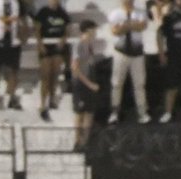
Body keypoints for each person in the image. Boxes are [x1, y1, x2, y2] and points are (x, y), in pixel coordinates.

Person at [108, 0, 150, 123]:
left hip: (137, 53)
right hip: (121, 52)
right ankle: (114, 112)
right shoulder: (115, 13)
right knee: (116, 84)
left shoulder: (140, 12)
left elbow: (142, 26)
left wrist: (124, 26)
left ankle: (142, 112)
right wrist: (131, 25)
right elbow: (115, 31)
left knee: (139, 84)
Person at [33, 0, 70, 121]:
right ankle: (43, 103)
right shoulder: (43, 12)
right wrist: (40, 44)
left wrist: (63, 40)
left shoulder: (62, 13)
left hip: (57, 47)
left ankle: (52, 99)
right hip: (46, 46)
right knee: (46, 76)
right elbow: (37, 29)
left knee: (55, 75)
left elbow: (66, 30)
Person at [71, 19, 101, 151]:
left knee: (89, 112)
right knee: (80, 112)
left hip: (90, 80)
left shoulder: (89, 45)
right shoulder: (79, 44)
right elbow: (75, 68)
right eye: (94, 30)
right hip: (82, 83)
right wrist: (89, 84)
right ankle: (77, 141)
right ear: (88, 30)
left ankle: (85, 142)